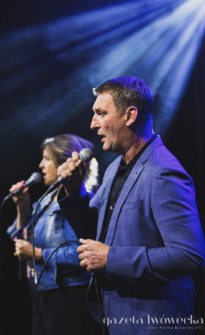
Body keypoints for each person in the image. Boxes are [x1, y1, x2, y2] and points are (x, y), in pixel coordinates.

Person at [57, 76, 205, 335]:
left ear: (130, 115)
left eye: (101, 113)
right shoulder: (115, 166)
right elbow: (96, 232)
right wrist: (74, 189)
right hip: (118, 318)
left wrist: (111, 257)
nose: (93, 124)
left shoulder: (164, 172)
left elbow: (188, 255)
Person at [7, 134, 100, 335]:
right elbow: (22, 241)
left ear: (63, 163)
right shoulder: (47, 198)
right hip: (42, 290)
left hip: (68, 293)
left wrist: (38, 253)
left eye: (47, 159)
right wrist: (22, 209)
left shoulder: (79, 203)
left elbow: (82, 254)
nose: (40, 165)